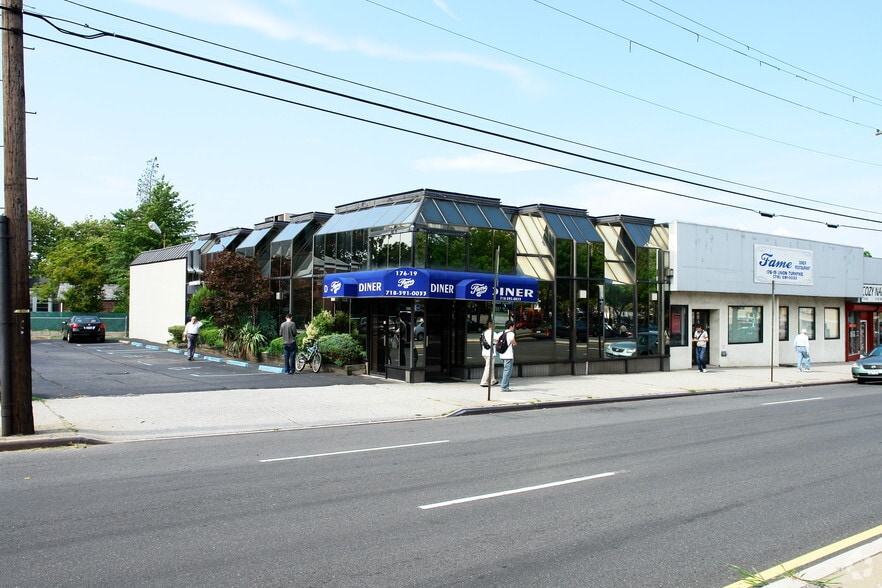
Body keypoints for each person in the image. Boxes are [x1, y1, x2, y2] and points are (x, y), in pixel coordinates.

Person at [498, 320, 517, 392]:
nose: (514, 328)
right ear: (511, 326)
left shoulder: (501, 333)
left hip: (502, 355)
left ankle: (506, 386)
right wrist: (515, 343)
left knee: (506, 370)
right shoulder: (511, 333)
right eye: (513, 326)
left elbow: (495, 340)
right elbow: (512, 340)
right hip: (509, 355)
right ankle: (504, 387)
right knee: (507, 371)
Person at [479, 320, 498, 388]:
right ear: (493, 326)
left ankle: (493, 380)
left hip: (484, 352)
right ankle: (483, 382)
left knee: (491, 366)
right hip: (490, 353)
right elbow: (497, 341)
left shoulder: (483, 333)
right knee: (488, 367)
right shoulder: (494, 333)